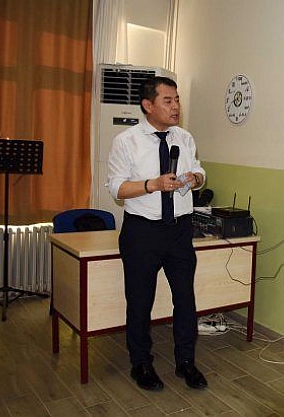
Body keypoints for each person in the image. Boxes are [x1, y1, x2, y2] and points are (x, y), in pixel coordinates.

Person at [106, 76, 207, 391]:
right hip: (142, 232)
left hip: (179, 230)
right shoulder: (126, 141)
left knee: (185, 299)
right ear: (148, 105)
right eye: (168, 100)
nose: (176, 106)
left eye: (177, 100)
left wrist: (195, 179)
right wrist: (153, 184)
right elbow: (117, 188)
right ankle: (141, 363)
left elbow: (200, 171)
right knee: (139, 302)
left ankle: (186, 362)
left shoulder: (185, 138)